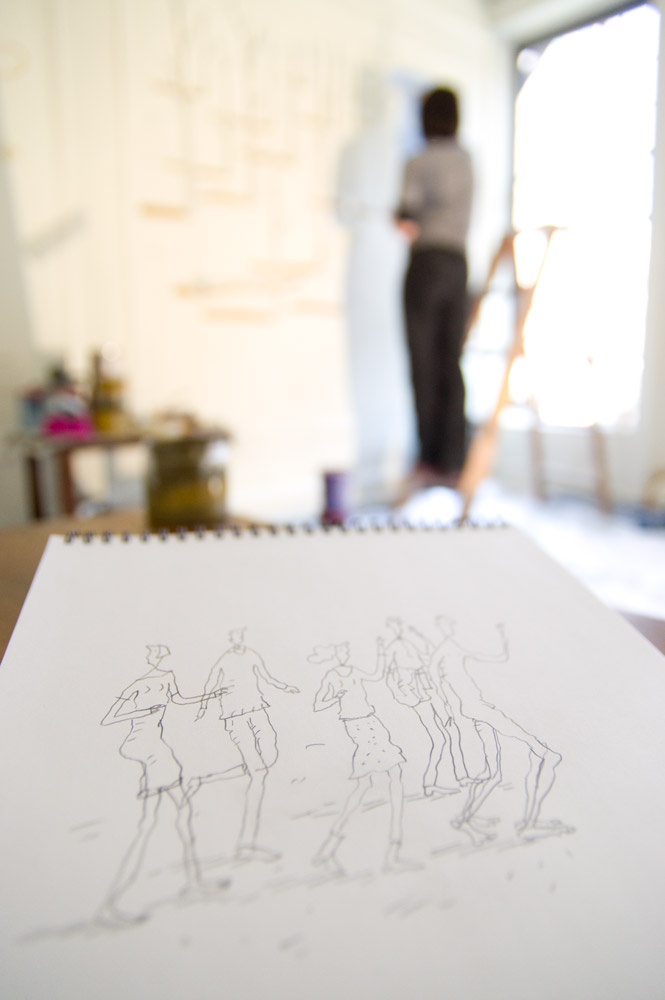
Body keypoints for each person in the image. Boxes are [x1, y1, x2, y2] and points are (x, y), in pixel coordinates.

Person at [395, 86, 473, 491]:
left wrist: (402, 218)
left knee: (423, 365)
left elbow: (406, 219)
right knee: (451, 363)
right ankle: (455, 462)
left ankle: (428, 460)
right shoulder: (467, 161)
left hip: (426, 264)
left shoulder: (419, 161)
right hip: (458, 267)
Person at [98, 644, 203, 924]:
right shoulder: (138, 685)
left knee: (179, 812)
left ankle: (194, 881)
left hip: (156, 746)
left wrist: (209, 696)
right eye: (155, 655)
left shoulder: (167, 677)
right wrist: (144, 712)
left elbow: (179, 700)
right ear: (149, 657)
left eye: (162, 654)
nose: (159, 658)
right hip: (144, 745)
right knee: (150, 824)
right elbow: (109, 718)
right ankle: (112, 903)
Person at [309, 639, 416, 876]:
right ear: (335, 654)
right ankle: (390, 853)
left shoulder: (354, 671)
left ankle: (329, 850)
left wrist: (382, 653)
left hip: (371, 720)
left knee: (374, 783)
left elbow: (376, 675)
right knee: (384, 779)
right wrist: (335, 697)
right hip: (358, 726)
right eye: (341, 650)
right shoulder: (332, 676)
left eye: (346, 650)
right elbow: (318, 704)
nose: (344, 654)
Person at [196, 628, 299, 862]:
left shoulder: (251, 655)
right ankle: (246, 842)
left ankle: (238, 772)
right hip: (233, 714)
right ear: (230, 639)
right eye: (234, 637)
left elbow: (266, 676)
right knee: (258, 774)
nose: (237, 640)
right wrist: (203, 706)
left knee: (270, 752)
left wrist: (284, 687)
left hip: (256, 707)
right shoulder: (225, 659)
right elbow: (211, 683)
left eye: (239, 636)